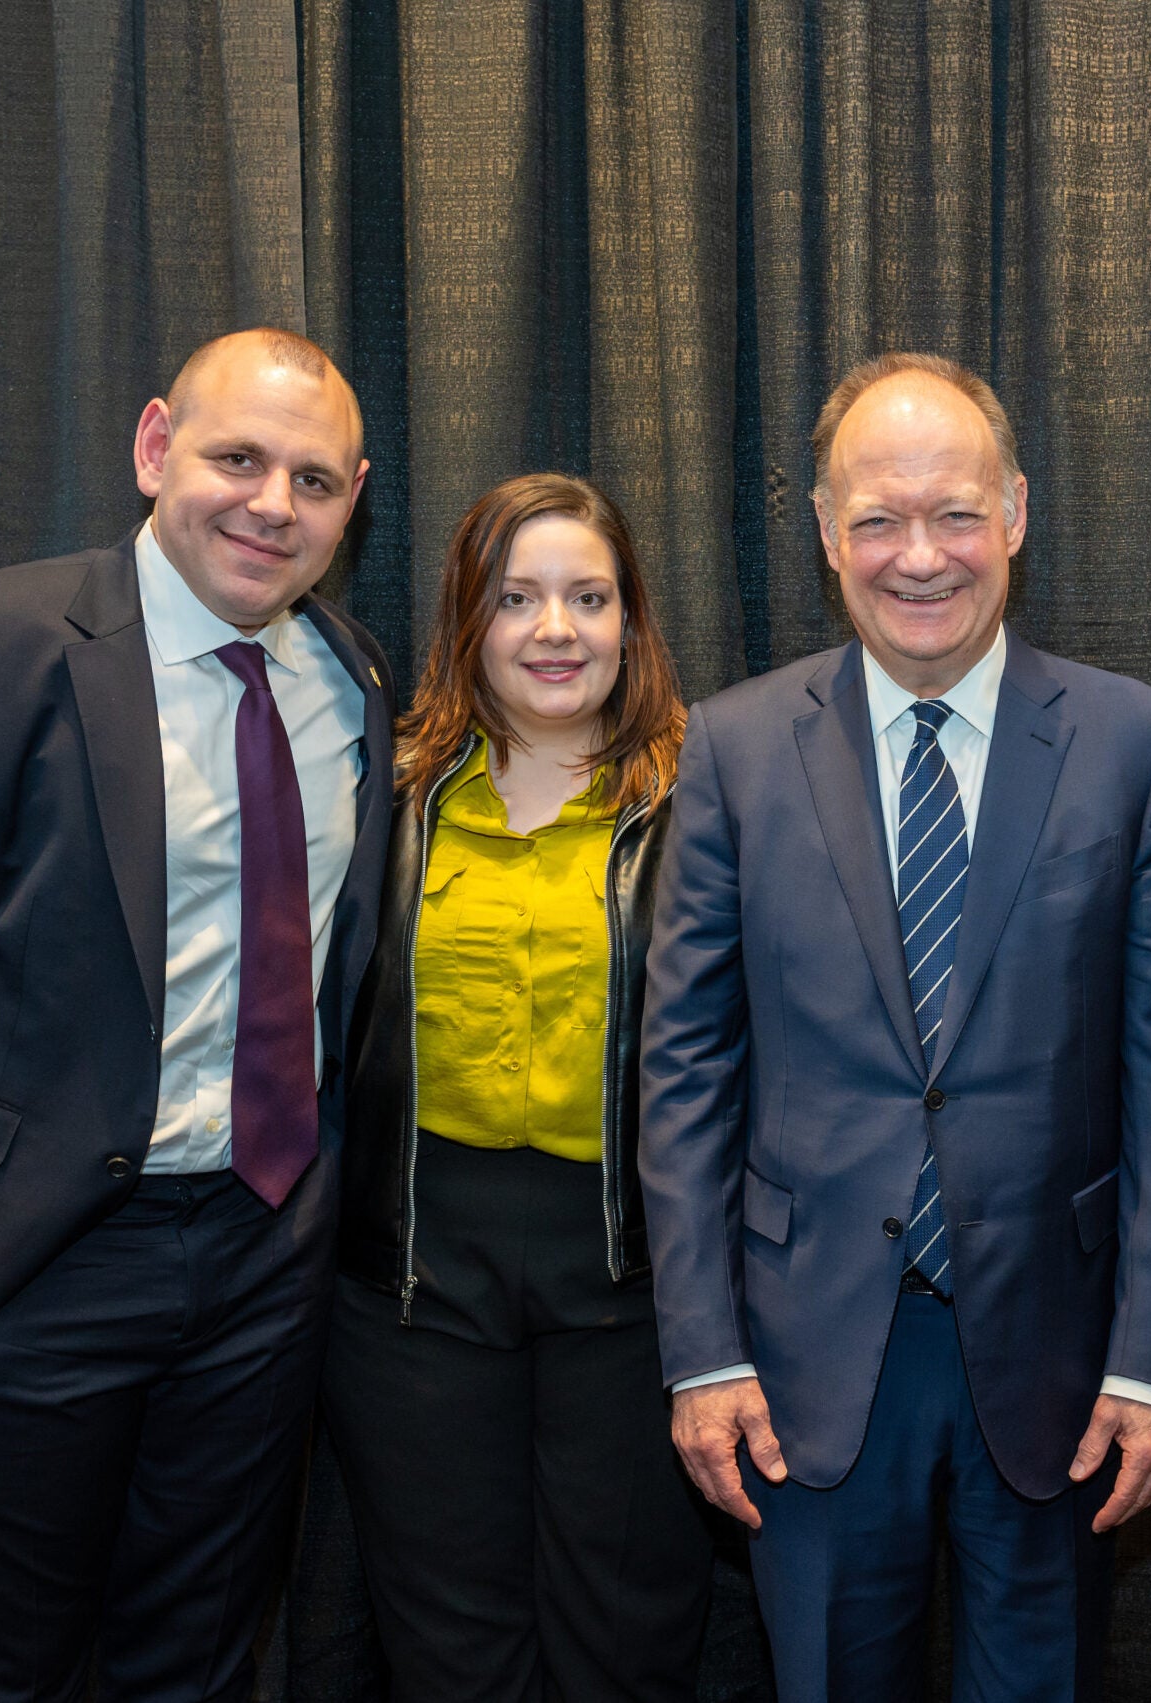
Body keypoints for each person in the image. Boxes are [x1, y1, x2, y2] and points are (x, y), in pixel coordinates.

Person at [0, 328, 390, 1699]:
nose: (271, 504)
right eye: (238, 458)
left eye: (314, 478)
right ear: (156, 446)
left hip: (261, 1255)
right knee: (4, 1667)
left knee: (203, 1657)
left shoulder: (348, 684)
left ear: (354, 499)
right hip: (21, 1260)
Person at [639, 351, 1151, 1700]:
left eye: (956, 512)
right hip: (805, 1357)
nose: (920, 555)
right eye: (880, 518)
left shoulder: (1133, 744)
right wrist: (704, 1347)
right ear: (824, 532)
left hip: (1059, 1353)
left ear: (1016, 512)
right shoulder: (731, 748)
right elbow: (684, 1074)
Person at [325, 473, 712, 1701]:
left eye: (588, 597)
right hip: (417, 1275)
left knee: (625, 1629)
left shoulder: (707, 800)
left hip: (631, 1273)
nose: (557, 629)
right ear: (467, 621)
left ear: (631, 619)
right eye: (518, 598)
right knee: (448, 1635)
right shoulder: (382, 797)